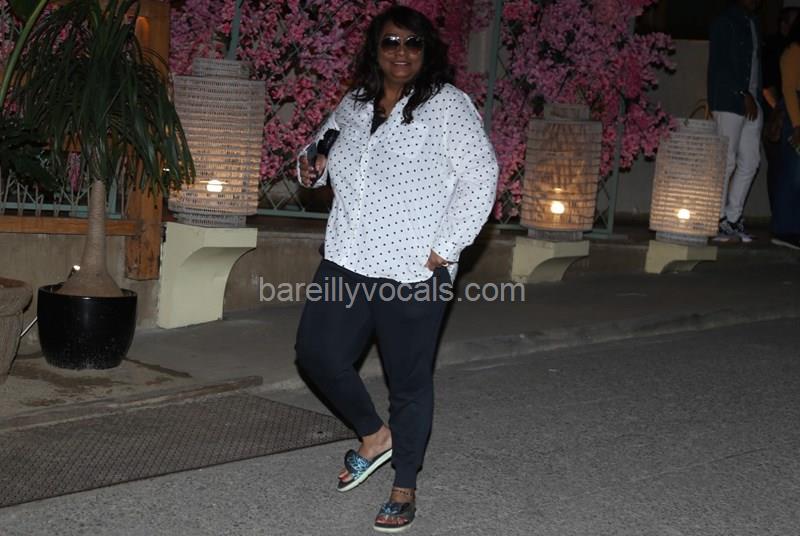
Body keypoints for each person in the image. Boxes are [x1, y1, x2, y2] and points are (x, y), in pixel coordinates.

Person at [294, 6, 499, 532]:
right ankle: (374, 434)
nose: (401, 52)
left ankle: (404, 484)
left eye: (412, 42)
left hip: (413, 270)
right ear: (375, 49)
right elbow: (317, 151)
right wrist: (311, 166)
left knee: (407, 381)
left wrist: (445, 249)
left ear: (426, 51)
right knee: (316, 354)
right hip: (347, 258)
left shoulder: (447, 105)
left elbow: (481, 177)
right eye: (390, 42)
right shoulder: (354, 104)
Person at [707, 0, 763, 243]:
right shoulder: (725, 21)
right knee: (726, 160)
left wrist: (754, 96)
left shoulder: (753, 22)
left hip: (752, 100)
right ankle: (717, 219)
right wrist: (742, 92)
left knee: (751, 161)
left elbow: (755, 65)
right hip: (730, 100)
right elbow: (720, 64)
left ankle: (732, 218)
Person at [769, 16, 800, 249]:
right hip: (794, 115)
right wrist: (797, 125)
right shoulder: (793, 51)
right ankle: (784, 230)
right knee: (792, 174)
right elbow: (789, 90)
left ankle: (792, 228)